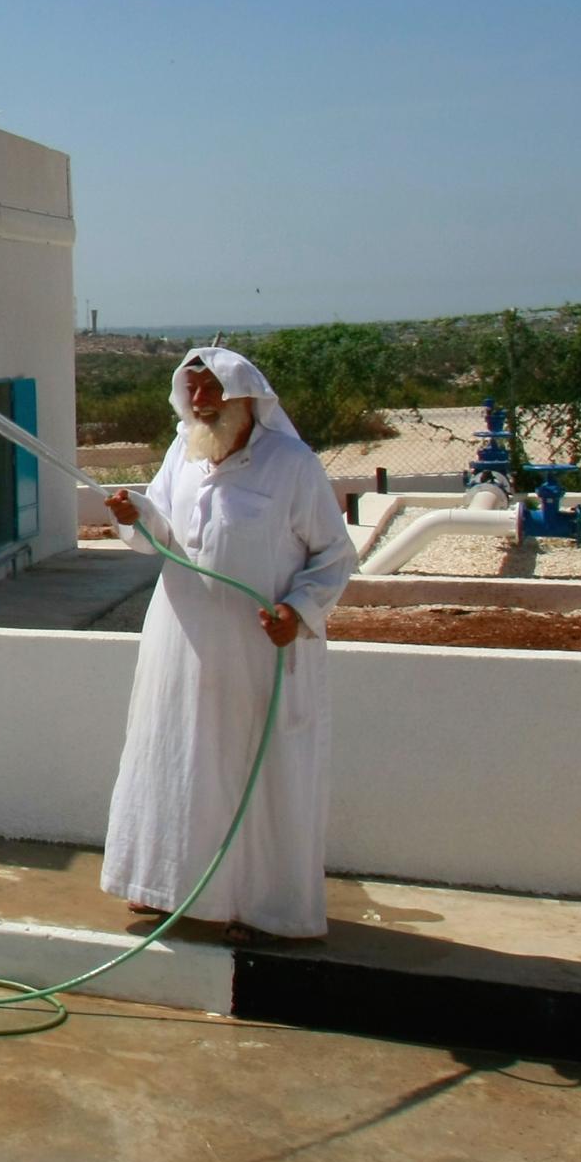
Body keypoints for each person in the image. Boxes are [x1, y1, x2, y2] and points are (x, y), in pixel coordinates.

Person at [100, 348, 355, 944]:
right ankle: (170, 889)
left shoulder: (292, 465)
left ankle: (261, 907)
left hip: (258, 653)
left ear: (247, 399)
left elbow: (335, 556)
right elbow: (160, 535)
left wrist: (301, 610)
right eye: (194, 392)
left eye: (214, 391)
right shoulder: (181, 452)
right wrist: (132, 513)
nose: (203, 403)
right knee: (177, 761)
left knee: (254, 775)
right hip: (181, 646)